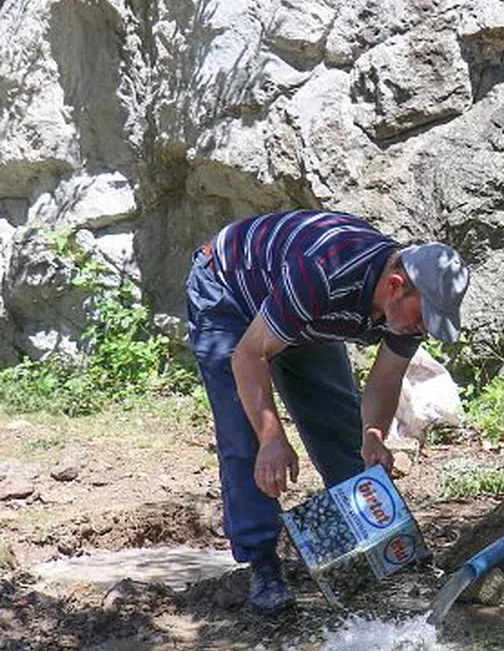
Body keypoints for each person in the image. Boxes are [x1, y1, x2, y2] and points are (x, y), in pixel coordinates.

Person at [186, 210, 470, 614]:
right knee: (246, 435)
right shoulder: (323, 273)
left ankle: (384, 554)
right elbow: (249, 355)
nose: (421, 329)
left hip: (295, 310)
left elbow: (385, 381)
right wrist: (272, 437)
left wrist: (373, 435)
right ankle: (263, 564)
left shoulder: (402, 312)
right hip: (228, 291)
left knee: (342, 428)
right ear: (395, 287)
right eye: (423, 317)